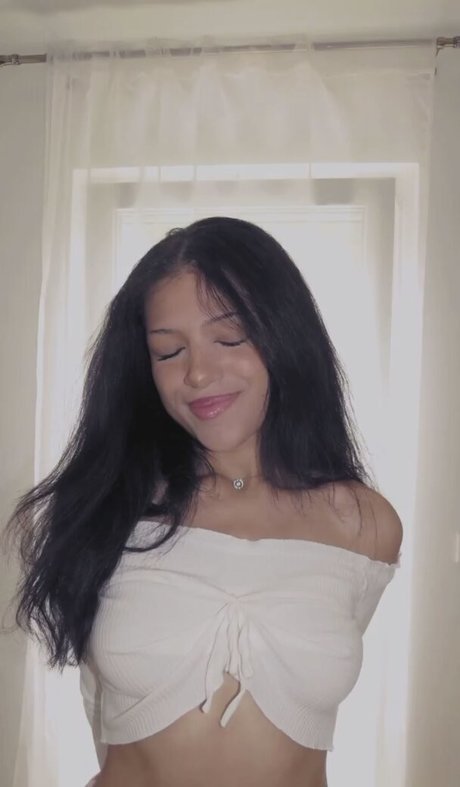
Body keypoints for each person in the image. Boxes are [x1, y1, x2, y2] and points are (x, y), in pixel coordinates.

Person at [4, 216, 402, 787]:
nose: (197, 373)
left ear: (284, 336)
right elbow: (98, 702)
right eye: (168, 351)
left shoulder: (363, 525)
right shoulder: (109, 507)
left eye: (229, 339)